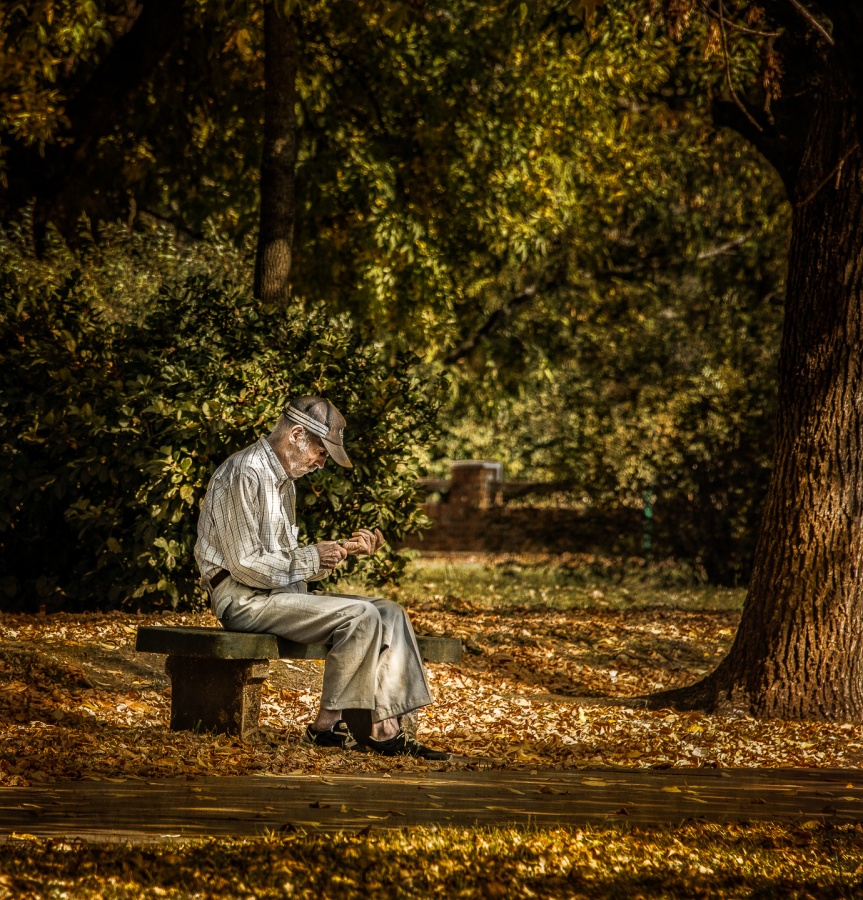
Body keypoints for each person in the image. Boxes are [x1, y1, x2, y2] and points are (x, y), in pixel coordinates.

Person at [194, 395, 449, 760]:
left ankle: (388, 727)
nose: (321, 461)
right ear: (296, 434)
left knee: (390, 611)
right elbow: (247, 565)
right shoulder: (246, 472)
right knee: (360, 616)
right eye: (320, 450)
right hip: (242, 598)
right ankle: (326, 727)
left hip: (275, 594)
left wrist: (341, 550)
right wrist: (314, 557)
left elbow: (280, 559)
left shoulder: (284, 482)